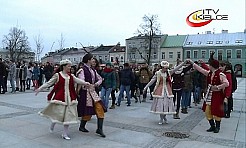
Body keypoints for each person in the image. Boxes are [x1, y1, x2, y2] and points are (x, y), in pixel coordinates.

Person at [35, 59, 90, 140]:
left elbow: (78, 80)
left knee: (68, 116)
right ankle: (53, 123)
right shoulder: (58, 75)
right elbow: (49, 83)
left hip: (70, 98)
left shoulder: (71, 76)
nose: (70, 68)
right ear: (64, 66)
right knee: (58, 113)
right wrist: (39, 89)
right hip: (60, 97)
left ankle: (64, 134)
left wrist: (85, 83)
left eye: (70, 66)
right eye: (69, 66)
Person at [190, 52, 229, 133]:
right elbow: (201, 70)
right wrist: (192, 63)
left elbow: (226, 83)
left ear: (212, 66)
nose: (209, 66)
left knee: (216, 112)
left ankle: (217, 127)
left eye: (210, 65)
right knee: (207, 112)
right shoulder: (209, 73)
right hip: (209, 95)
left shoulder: (221, 74)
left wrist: (217, 87)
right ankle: (212, 126)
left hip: (217, 95)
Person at [77, 53, 106, 138]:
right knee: (88, 111)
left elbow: (100, 78)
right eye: (92, 58)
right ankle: (82, 126)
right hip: (85, 93)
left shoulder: (93, 70)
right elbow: (80, 81)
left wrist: (96, 84)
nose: (94, 60)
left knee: (99, 108)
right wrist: (87, 84)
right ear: (88, 60)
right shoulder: (82, 70)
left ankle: (99, 129)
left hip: (93, 92)